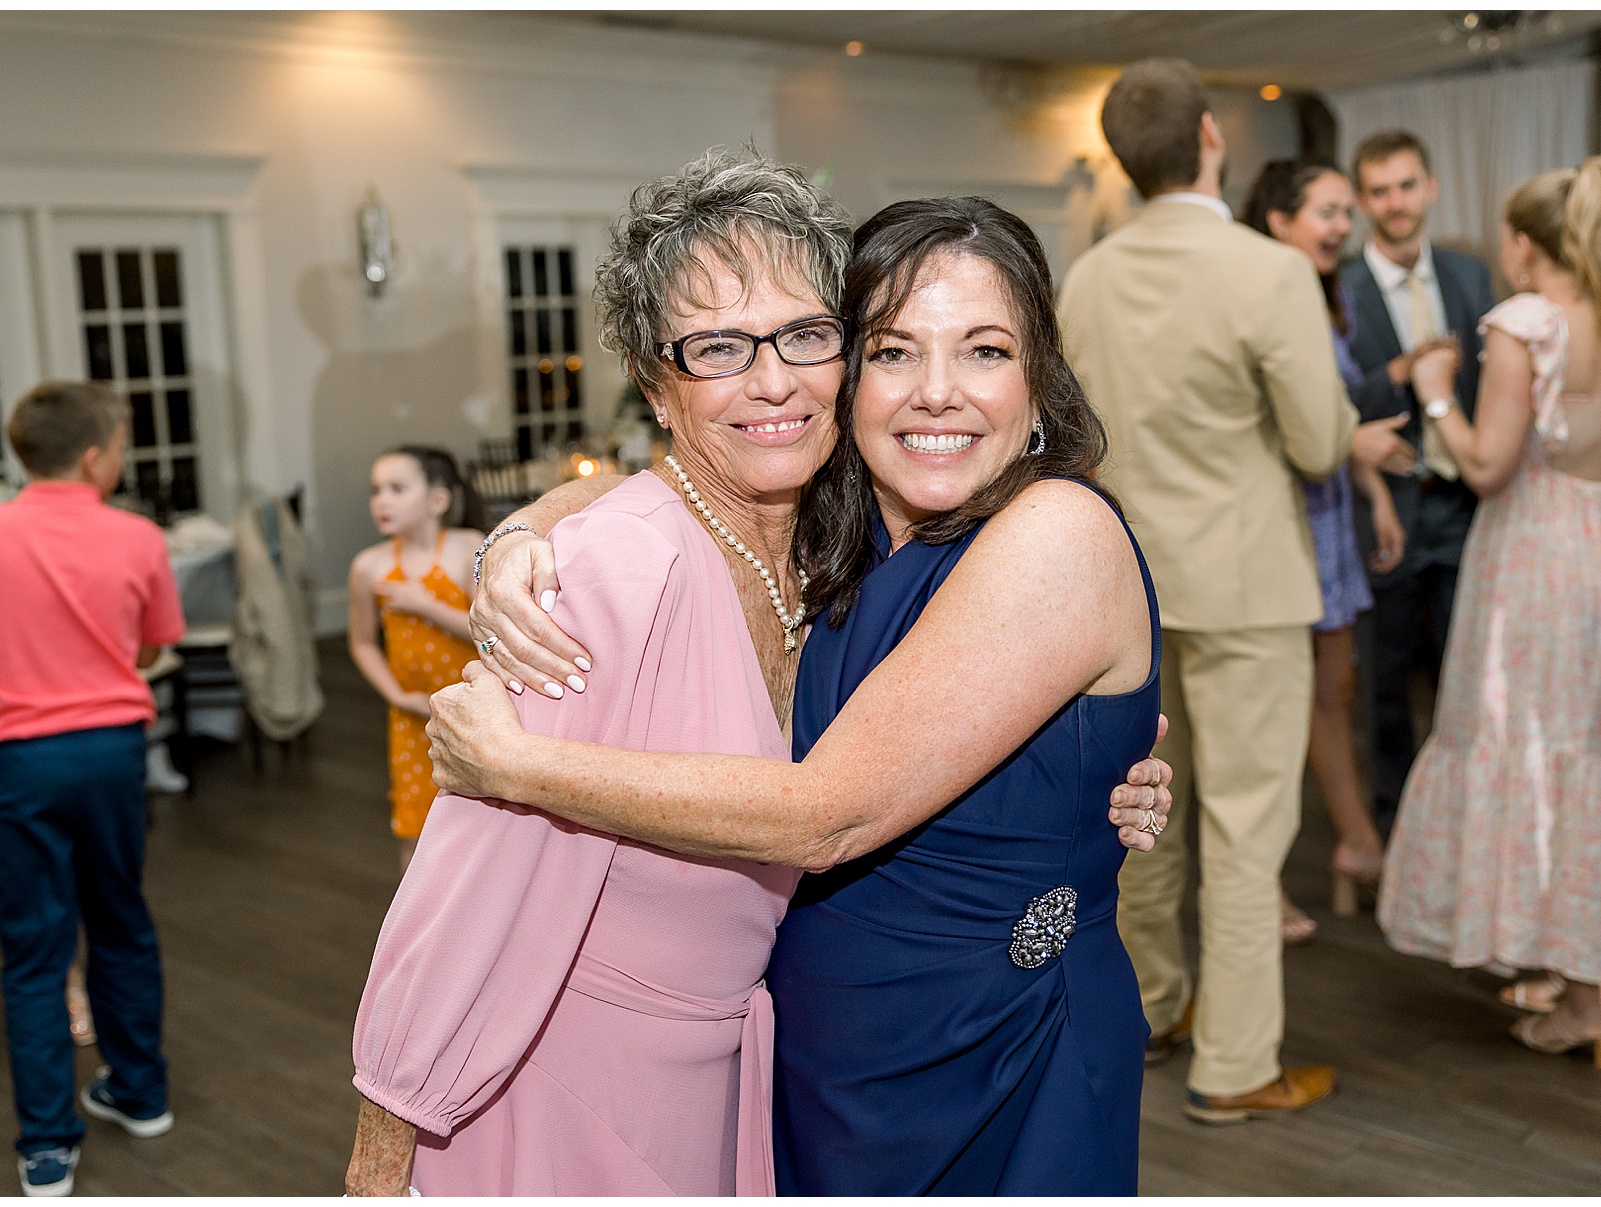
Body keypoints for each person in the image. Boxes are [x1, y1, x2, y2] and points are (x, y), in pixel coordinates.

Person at [346, 154, 1171, 1196]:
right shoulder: (840, 536)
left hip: (983, 1058)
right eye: (895, 350)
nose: (937, 391)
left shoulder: (1022, 531)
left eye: (986, 350)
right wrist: (517, 535)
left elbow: (829, 812)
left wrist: (518, 763)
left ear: (1040, 376)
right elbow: (468, 888)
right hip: (759, 1075)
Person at [1055, 59, 1356, 1123]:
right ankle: (1234, 1063)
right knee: (1245, 828)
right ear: (1213, 137)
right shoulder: (1269, 271)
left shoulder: (1087, 278)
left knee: (1148, 817)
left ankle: (1155, 1011)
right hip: (1245, 583)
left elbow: (1077, 440)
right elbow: (1320, 442)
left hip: (1127, 588)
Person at [1378, 157, 1601, 1071]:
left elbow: (1487, 465)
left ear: (1527, 244)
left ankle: (1594, 1004)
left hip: (1544, 555)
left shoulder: (1528, 326)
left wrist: (1436, 389)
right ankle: (1588, 967)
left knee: (1541, 751)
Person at [0, 381, 185, 1197]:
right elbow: (154, 648)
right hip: (111, 753)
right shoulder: (137, 535)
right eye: (122, 446)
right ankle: (141, 1093)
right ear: (95, 457)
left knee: (35, 950)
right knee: (121, 920)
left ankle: (46, 1146)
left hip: (20, 761)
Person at [1242, 159, 1417, 942]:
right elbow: (1280, 424)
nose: (1344, 227)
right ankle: (1268, 879)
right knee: (1277, 711)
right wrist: (1356, 446)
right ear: (1279, 221)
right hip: (1285, 517)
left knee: (1332, 691)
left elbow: (1333, 414)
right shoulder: (1261, 295)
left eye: (1348, 212)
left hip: (1333, 512)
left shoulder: (1322, 292)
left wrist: (1373, 493)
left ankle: (1355, 841)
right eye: (1328, 211)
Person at [1341, 130, 1497, 840]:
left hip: (1465, 504)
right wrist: (1401, 374)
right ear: (1363, 201)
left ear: (1430, 188)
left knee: (1469, 674)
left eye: (1406, 186)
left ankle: (1469, 827)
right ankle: (1398, 834)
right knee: (1384, 685)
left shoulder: (1470, 275)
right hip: (1383, 509)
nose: (1395, 203)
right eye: (1379, 191)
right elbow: (1333, 401)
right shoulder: (1340, 288)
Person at [346, 446, 484, 872]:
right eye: (376, 490)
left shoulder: (468, 549)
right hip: (411, 717)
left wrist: (425, 605)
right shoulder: (368, 567)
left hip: (473, 709)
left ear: (438, 500)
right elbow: (363, 643)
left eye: (397, 489)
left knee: (478, 820)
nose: (381, 501)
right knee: (415, 827)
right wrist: (397, 695)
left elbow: (488, 633)